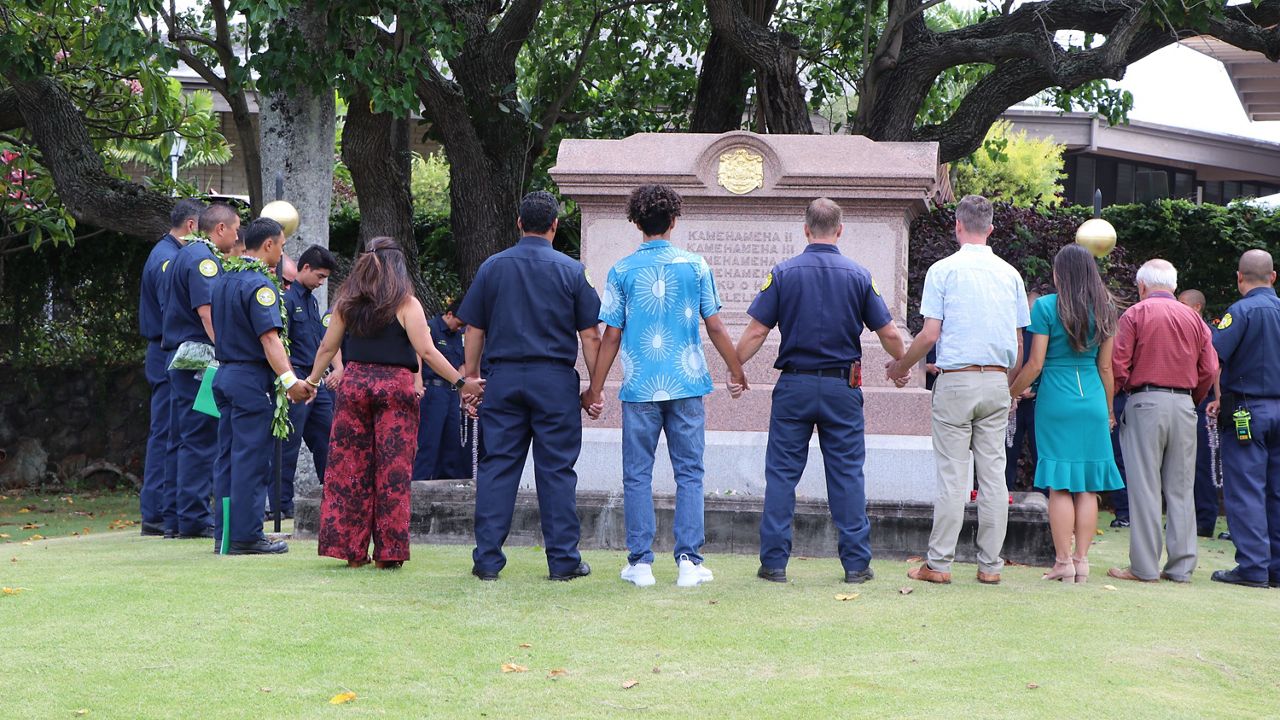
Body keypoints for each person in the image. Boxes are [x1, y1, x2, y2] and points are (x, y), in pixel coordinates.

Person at [737, 197, 909, 585]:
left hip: (794, 385)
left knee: (781, 476)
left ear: (806, 229)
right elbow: (889, 333)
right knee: (847, 475)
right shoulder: (860, 275)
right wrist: (902, 366)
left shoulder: (783, 272)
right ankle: (856, 565)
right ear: (840, 230)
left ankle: (775, 564)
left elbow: (756, 331)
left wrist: (736, 368)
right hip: (841, 387)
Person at [583, 183, 747, 588]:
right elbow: (715, 325)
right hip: (687, 381)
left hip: (640, 385)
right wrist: (735, 368)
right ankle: (690, 560)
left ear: (636, 222)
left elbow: (611, 335)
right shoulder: (695, 266)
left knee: (637, 474)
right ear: (674, 220)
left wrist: (596, 387)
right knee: (690, 472)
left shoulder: (621, 271)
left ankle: (640, 562)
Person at [307, 237, 482, 568]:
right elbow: (428, 352)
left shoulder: (347, 299)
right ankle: (389, 554)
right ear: (399, 267)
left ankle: (350, 551)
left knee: (349, 470)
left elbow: (327, 348)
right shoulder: (406, 303)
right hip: (395, 389)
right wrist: (461, 382)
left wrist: (311, 381)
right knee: (392, 472)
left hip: (355, 386)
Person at [457, 191, 603, 582]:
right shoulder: (573, 271)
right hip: (554, 380)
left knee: (498, 468)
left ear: (519, 223)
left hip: (502, 379)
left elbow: (474, 327)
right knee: (556, 470)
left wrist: (470, 379)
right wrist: (595, 387)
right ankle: (563, 561)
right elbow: (590, 335)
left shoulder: (492, 267)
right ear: (555, 226)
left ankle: (487, 560)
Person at [887, 194, 1029, 586]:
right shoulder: (1011, 275)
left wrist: (901, 365)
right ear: (992, 229)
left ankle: (940, 563)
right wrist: (1009, 385)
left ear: (958, 225)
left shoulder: (943, 270)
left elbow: (930, 333)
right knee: (994, 476)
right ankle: (991, 565)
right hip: (997, 379)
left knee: (953, 477)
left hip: (956, 379)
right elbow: (1018, 344)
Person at [1008, 245, 1123, 583]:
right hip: (1091, 396)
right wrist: (1109, 409)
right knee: (1087, 485)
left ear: (1060, 273)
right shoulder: (1106, 309)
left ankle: (1062, 562)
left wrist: (1011, 392)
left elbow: (1035, 364)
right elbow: (1106, 367)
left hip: (1056, 398)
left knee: (1060, 484)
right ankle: (1082, 560)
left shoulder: (1045, 306)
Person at [1107, 259, 1218, 584]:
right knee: (1181, 488)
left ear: (1142, 286)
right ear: (1173, 284)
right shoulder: (1194, 318)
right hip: (1184, 403)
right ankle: (1181, 567)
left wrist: (1122, 397)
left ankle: (1143, 567)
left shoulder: (1135, 314)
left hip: (1144, 401)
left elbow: (1119, 364)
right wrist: (1192, 399)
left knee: (1144, 487)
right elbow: (1210, 368)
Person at [210, 217, 314, 555]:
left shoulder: (225, 279)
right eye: (282, 246)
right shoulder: (260, 286)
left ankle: (224, 534)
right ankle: (245, 535)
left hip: (224, 374)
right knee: (251, 459)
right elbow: (269, 339)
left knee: (227, 456)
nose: (283, 253)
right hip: (250, 379)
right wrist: (290, 381)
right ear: (268, 245)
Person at [162, 202, 240, 539]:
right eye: (236, 229)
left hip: (183, 359)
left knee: (183, 439)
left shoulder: (185, 255)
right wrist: (227, 353)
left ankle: (177, 518)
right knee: (200, 439)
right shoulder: (203, 260)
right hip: (198, 360)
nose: (238, 236)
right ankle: (194, 519)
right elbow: (207, 312)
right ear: (220, 229)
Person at [1210, 249, 1280, 589]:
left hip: (1246, 411)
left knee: (1247, 489)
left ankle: (1253, 567)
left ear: (1240, 278)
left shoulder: (1239, 312)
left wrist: (1216, 397)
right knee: (1277, 491)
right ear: (1273, 276)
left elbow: (1214, 358)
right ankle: (1276, 569)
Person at [138, 198, 204, 537]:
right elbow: (174, 311)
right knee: (167, 431)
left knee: (173, 430)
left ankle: (167, 509)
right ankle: (158, 511)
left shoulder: (169, 254)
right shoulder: (168, 259)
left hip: (169, 349)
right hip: (169, 350)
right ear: (192, 226)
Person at [272, 245, 341, 520]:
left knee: (328, 437)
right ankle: (280, 505)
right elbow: (281, 344)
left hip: (317, 380)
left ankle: (334, 495)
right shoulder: (286, 300)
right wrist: (290, 380)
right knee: (288, 444)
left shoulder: (312, 301)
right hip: (296, 377)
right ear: (305, 269)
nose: (322, 282)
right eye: (320, 276)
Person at [1178, 289, 1222, 538]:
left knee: (1202, 462)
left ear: (1197, 308)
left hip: (1202, 402)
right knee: (1183, 462)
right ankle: (1188, 517)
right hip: (1186, 399)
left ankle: (1205, 519)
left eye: (1183, 304)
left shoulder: (1206, 332)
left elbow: (1214, 368)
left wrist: (1216, 398)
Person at [413, 298, 471, 481]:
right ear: (449, 314)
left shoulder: (459, 336)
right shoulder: (430, 328)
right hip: (433, 390)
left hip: (452, 392)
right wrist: (417, 380)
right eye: (458, 323)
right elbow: (420, 353)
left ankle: (447, 483)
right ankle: (419, 483)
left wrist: (464, 395)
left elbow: (462, 364)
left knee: (452, 441)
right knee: (429, 440)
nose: (459, 328)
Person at [1005, 290, 1042, 492]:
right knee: (1008, 451)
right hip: (1014, 402)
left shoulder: (1044, 334)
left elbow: (1043, 364)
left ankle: (1043, 498)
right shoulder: (1013, 333)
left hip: (1037, 402)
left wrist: (1034, 388)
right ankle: (1005, 494)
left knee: (1041, 453)